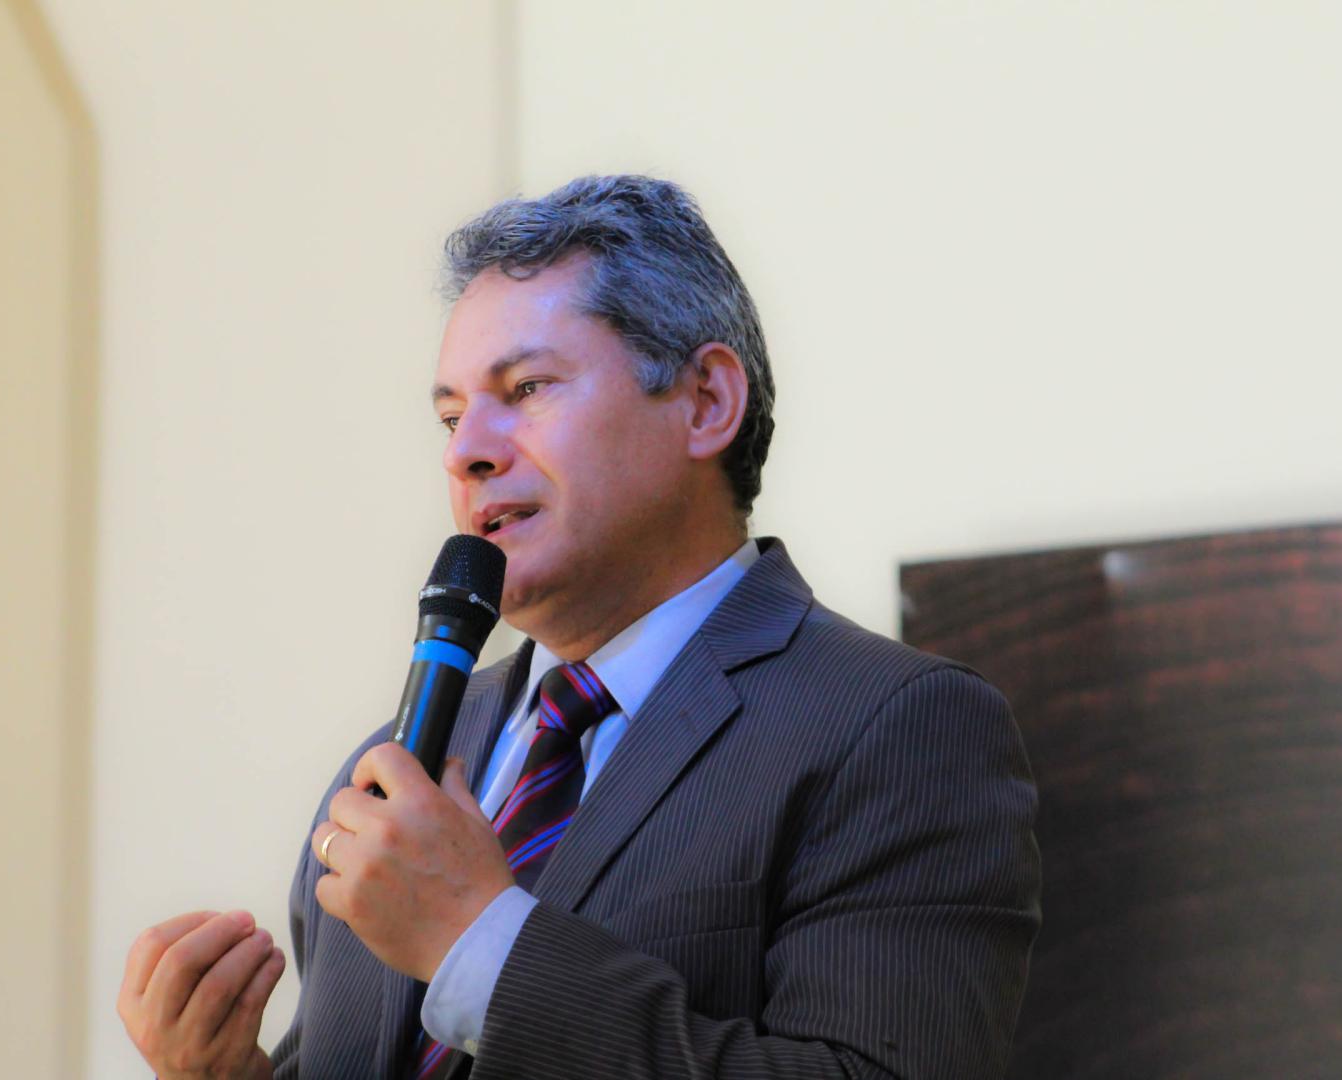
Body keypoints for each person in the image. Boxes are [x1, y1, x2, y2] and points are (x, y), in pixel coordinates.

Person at [117, 175, 1041, 1080]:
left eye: (525, 389)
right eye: (450, 417)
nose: (466, 452)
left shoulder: (898, 725)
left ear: (706, 402)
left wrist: (482, 944)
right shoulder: (394, 773)